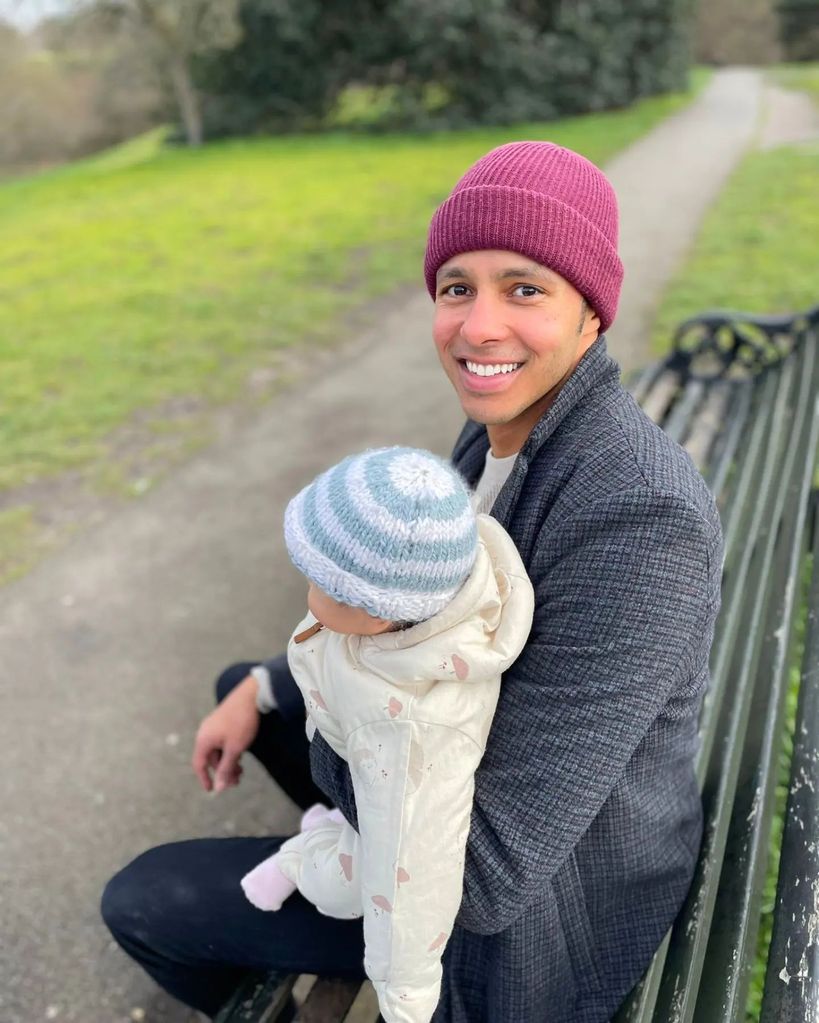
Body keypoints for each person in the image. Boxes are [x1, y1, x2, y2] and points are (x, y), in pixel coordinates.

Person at [101, 141, 723, 1023]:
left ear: (592, 314)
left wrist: (330, 714)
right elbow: (410, 604)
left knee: (146, 899)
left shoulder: (636, 519)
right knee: (251, 684)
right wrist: (270, 685)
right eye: (456, 287)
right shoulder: (499, 431)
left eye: (525, 289)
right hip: (465, 782)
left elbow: (483, 879)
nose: (477, 327)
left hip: (534, 927)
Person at [239, 445, 534, 1023]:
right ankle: (324, 824)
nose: (306, 590)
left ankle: (300, 858)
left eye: (319, 581)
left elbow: (414, 872)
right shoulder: (420, 593)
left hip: (389, 808)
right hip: (355, 759)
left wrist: (406, 1002)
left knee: (345, 885)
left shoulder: (412, 732)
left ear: (377, 613)